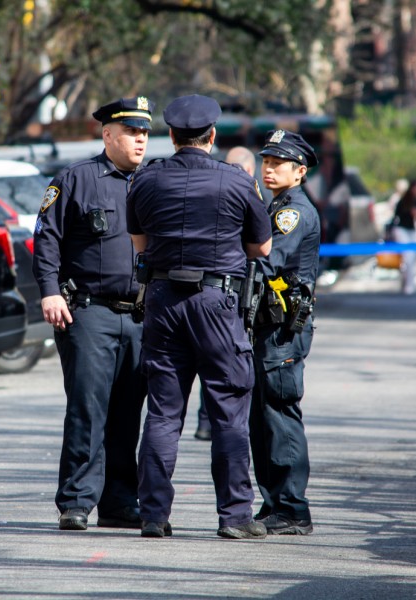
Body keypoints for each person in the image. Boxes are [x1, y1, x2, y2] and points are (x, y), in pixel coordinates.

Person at [127, 95, 273, 539]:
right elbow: (261, 248)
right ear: (212, 136)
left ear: (170, 136)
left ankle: (153, 515)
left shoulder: (146, 180)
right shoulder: (236, 181)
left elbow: (138, 245)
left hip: (163, 300)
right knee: (228, 410)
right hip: (217, 302)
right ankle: (234, 516)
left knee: (163, 413)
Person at [33, 96, 152, 531]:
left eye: (145, 133)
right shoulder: (76, 179)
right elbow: (46, 238)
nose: (140, 140)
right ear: (108, 135)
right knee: (88, 409)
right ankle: (77, 502)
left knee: (127, 412)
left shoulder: (153, 181)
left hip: (139, 316)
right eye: (131, 133)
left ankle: (120, 502)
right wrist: (49, 291)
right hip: (90, 312)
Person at [248, 129, 321, 536]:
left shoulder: (292, 211)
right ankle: (275, 501)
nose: (269, 169)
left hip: (283, 328)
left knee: (279, 413)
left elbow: (268, 260)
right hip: (269, 326)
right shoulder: (276, 206)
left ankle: (293, 507)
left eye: (278, 164)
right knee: (263, 417)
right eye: (266, 162)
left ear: (300, 171)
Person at [192, 146, 260, 443]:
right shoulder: (250, 193)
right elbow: (262, 247)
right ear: (250, 171)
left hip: (202, 290)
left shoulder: (206, 188)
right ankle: (218, 424)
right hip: (229, 292)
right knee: (224, 366)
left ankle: (206, 422)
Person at [390, 180, 416, 295]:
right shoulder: (404, 201)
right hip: (402, 230)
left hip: (412, 230)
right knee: (408, 257)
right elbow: (396, 216)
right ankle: (408, 285)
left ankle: (408, 281)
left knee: (413, 257)